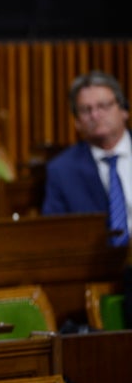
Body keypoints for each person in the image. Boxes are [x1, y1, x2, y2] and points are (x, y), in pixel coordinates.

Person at [41, 70, 132, 327]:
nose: (95, 115)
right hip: (93, 276)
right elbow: (55, 233)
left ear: (123, 110)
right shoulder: (62, 170)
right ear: (77, 122)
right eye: (86, 110)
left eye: (103, 106)